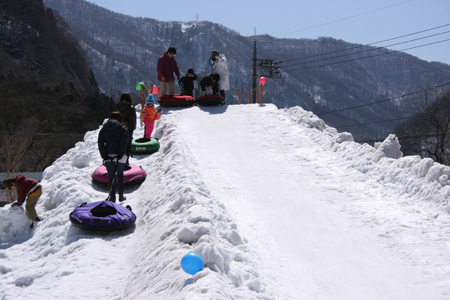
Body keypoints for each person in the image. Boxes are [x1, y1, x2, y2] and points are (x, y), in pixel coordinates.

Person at [98, 112, 129, 202]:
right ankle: (121, 196)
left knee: (111, 177)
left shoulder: (104, 129)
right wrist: (121, 153)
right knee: (120, 175)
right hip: (121, 156)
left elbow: (100, 143)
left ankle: (112, 198)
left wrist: (104, 155)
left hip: (108, 155)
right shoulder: (123, 128)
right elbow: (124, 142)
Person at [117, 93, 136, 164]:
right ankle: (126, 162)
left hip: (118, 128)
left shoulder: (117, 106)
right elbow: (132, 119)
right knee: (127, 146)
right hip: (127, 129)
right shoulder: (131, 107)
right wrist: (132, 128)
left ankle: (118, 162)